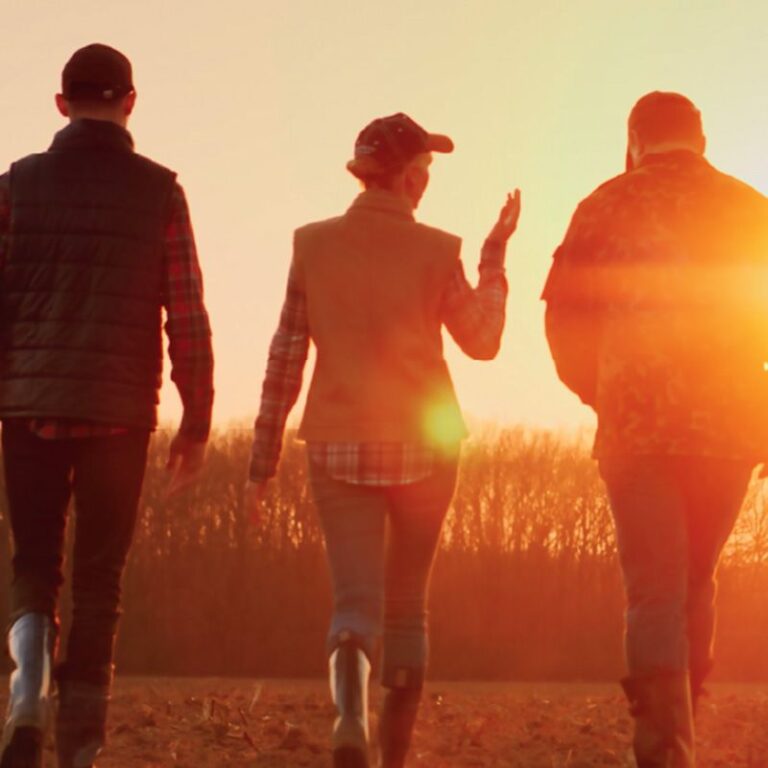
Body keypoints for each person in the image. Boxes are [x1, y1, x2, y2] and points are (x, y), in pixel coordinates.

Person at [247, 112, 520, 768]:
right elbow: (482, 341)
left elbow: (286, 354)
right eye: (424, 167)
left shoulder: (311, 245)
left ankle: (349, 715)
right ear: (403, 176)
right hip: (428, 449)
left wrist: (263, 458)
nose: (427, 179)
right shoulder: (439, 249)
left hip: (338, 445)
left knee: (355, 604)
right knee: (407, 607)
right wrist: (493, 260)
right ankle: (391, 760)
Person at [0, 44, 214, 768]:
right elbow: (185, 312)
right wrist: (198, 416)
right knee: (99, 580)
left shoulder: (15, 187)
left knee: (34, 562)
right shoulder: (161, 192)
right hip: (120, 414)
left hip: (26, 407)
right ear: (130, 102)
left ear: (61, 104)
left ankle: (26, 686)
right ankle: (80, 749)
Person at [543, 91, 768, 766]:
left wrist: (601, 393)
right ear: (701, 138)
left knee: (654, 590)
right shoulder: (750, 209)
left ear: (635, 138)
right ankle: (684, 726)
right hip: (728, 429)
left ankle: (664, 746)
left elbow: (562, 321)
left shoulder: (605, 204)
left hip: (636, 430)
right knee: (696, 578)